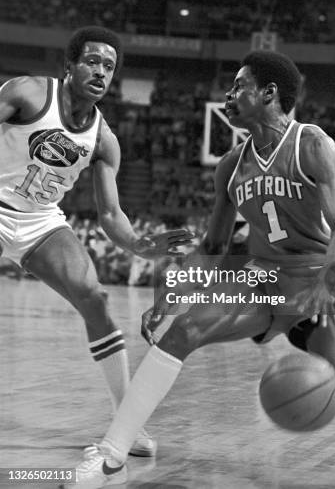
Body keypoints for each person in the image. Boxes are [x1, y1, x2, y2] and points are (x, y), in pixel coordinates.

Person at [64, 50, 335, 488]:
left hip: (320, 273)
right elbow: (212, 246)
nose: (228, 94)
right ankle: (112, 455)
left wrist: (326, 281)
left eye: (238, 85)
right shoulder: (230, 165)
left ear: (269, 93)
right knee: (182, 330)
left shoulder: (311, 143)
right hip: (262, 275)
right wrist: (171, 296)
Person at [0, 26, 193, 457]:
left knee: (94, 296)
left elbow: (110, 215)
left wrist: (141, 246)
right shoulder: (29, 93)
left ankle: (127, 427)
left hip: (39, 221)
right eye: (91, 61)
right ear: (69, 66)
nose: (101, 71)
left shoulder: (104, 140)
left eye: (109, 66)